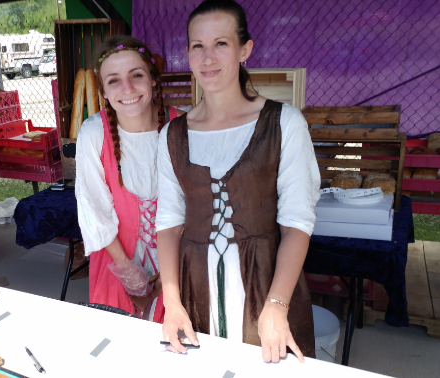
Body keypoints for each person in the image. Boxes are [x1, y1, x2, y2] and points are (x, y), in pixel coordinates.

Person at [156, 0, 321, 362]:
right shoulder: (173, 134)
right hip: (193, 284)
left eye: (221, 44)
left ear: (245, 49)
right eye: (197, 46)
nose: (207, 57)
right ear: (187, 53)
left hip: (264, 284)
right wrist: (171, 301)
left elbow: (296, 224)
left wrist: (277, 306)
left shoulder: (284, 123)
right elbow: (168, 225)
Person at [75, 35, 182, 322]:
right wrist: (126, 267)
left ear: (153, 80)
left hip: (176, 266)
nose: (128, 88)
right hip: (117, 260)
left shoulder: (180, 126)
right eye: (113, 80)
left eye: (137, 75)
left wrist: (172, 272)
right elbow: (94, 207)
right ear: (104, 91)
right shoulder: (94, 133)